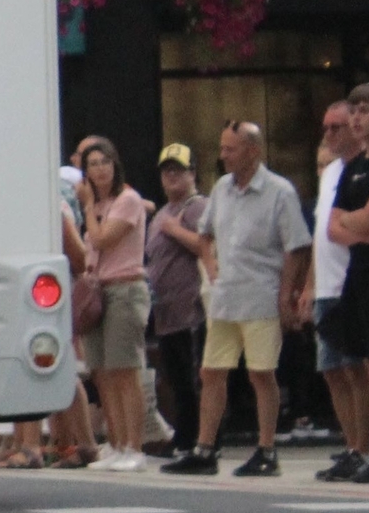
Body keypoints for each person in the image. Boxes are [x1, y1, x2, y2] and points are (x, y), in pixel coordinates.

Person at [164, 122, 313, 476]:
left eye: (231, 149)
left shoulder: (279, 192)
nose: (223, 155)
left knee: (262, 373)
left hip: (260, 292)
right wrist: (211, 264)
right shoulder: (221, 188)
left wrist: (285, 292)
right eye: (222, 148)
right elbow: (205, 235)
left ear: (253, 150)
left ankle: (266, 448)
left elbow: (297, 246)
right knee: (212, 371)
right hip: (227, 296)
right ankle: (205, 448)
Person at [74, 137, 152, 470]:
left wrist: (89, 207)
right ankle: (117, 442)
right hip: (98, 290)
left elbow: (104, 238)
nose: (100, 169)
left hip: (124, 288)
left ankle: (135, 445)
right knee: (102, 372)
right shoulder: (98, 206)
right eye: (93, 164)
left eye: (105, 162)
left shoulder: (128, 200)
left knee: (124, 370)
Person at [308, 101, 369, 479]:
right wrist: (308, 284)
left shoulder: (362, 167)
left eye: (337, 127)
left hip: (356, 278)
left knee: (358, 370)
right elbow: (327, 230)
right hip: (327, 282)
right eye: (326, 128)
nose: (330, 135)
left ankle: (364, 446)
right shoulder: (332, 171)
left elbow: (354, 226)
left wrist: (354, 225)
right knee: (333, 369)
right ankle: (352, 445)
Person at [145, 143, 207, 457]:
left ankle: (202, 438)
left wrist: (174, 230)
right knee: (176, 378)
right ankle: (183, 435)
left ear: (192, 173)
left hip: (190, 308)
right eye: (166, 170)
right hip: (165, 309)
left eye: (178, 169)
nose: (171, 175)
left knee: (194, 377)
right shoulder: (161, 213)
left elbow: (206, 246)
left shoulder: (196, 207)